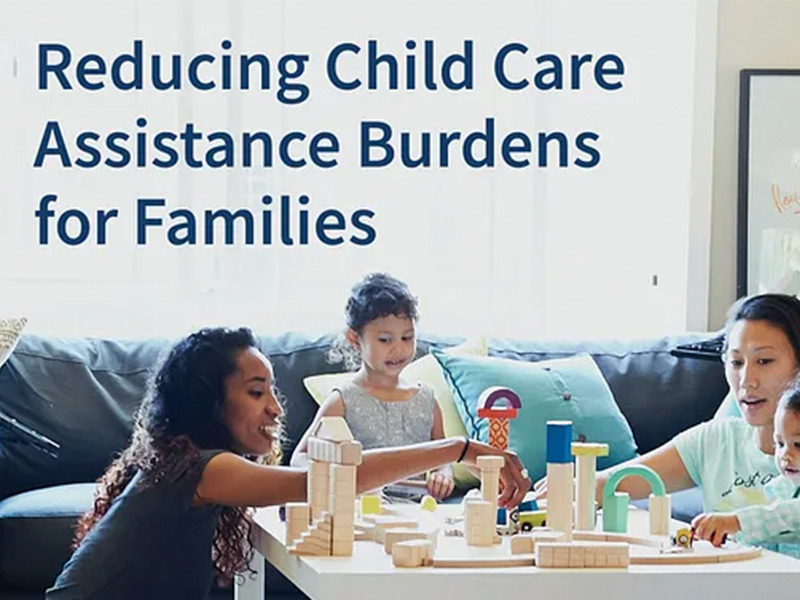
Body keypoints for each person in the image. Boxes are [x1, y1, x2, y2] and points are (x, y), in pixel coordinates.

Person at [47, 327, 529, 600]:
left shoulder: (187, 462)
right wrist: (457, 448)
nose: (276, 408)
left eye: (272, 391)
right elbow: (334, 479)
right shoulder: (203, 468)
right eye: (256, 392)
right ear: (207, 402)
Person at [533, 293, 800, 517]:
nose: (746, 381)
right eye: (736, 362)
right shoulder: (716, 441)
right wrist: (561, 489)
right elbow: (609, 484)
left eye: (764, 361)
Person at [290, 273, 455, 499]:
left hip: (421, 514)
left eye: (407, 338)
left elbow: (444, 456)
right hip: (363, 513)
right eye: (385, 340)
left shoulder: (427, 400)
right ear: (355, 339)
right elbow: (300, 458)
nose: (398, 349)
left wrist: (444, 473)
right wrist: (338, 474)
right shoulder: (342, 401)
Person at [691, 378, 800, 556]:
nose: (785, 455)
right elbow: (771, 533)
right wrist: (731, 536)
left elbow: (787, 516)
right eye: (779, 444)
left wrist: (736, 521)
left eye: (798, 445)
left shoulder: (785, 507)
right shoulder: (780, 488)